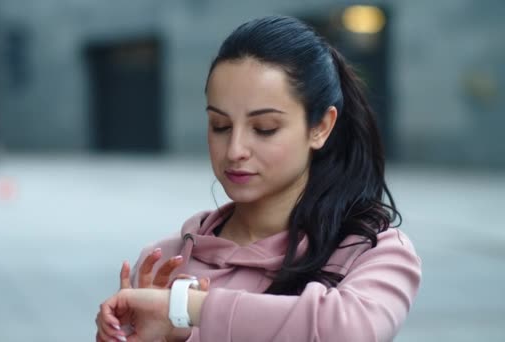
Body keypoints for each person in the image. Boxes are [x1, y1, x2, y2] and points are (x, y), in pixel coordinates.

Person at [95, 15, 421, 342]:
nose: (235, 149)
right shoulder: (165, 262)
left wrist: (186, 307)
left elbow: (347, 331)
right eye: (220, 126)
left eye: (264, 128)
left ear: (320, 127)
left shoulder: (372, 252)